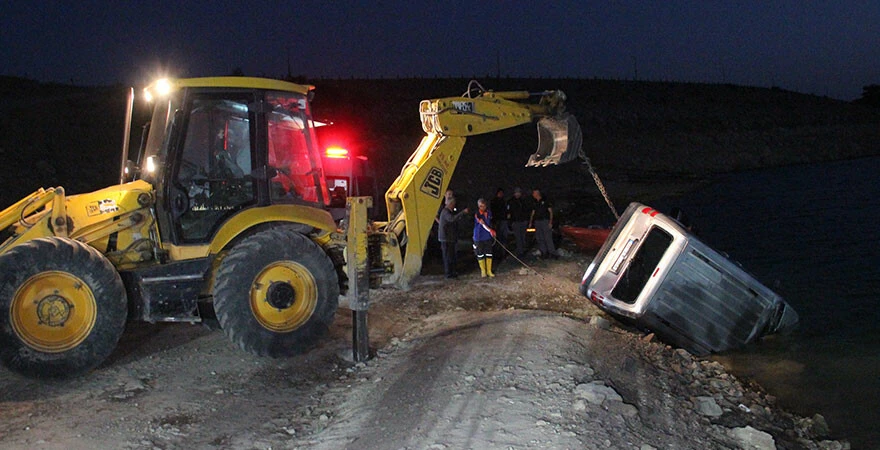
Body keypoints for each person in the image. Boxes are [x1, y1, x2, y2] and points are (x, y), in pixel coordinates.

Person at [438, 197, 469, 278]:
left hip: (449, 238)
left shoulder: (448, 211)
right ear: (451, 204)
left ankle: (451, 272)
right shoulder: (445, 212)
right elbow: (451, 219)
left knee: (451, 256)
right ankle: (448, 273)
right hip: (446, 238)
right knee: (447, 256)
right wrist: (462, 213)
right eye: (453, 204)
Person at [529, 189, 557, 259]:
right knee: (540, 238)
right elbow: (533, 213)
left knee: (548, 237)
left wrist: (550, 222)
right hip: (537, 222)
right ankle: (544, 253)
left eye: (534, 193)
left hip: (545, 221)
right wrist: (531, 222)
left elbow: (550, 212)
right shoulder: (534, 202)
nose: (533, 195)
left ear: (537, 193)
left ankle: (552, 253)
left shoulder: (545, 201)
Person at [473, 198, 496, 277]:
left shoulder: (489, 213)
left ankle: (489, 271)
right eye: (480, 206)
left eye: (483, 206)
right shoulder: (477, 214)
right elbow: (482, 223)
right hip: (479, 237)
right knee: (480, 254)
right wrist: (490, 230)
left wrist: (492, 231)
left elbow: (490, 222)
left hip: (487, 237)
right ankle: (483, 271)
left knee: (489, 253)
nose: (481, 208)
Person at [507, 187, 530, 257]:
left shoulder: (523, 201)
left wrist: (526, 220)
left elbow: (526, 211)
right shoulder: (511, 201)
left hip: (523, 221)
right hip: (515, 222)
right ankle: (520, 252)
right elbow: (508, 212)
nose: (517, 194)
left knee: (523, 236)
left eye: (519, 192)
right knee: (518, 237)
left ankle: (523, 249)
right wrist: (510, 222)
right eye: (516, 193)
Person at [489, 188, 508, 259]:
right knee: (498, 238)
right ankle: (497, 252)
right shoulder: (494, 201)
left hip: (503, 220)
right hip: (497, 221)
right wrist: (494, 221)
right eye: (500, 193)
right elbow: (493, 211)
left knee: (504, 237)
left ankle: (503, 252)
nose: (501, 194)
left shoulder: (503, 201)